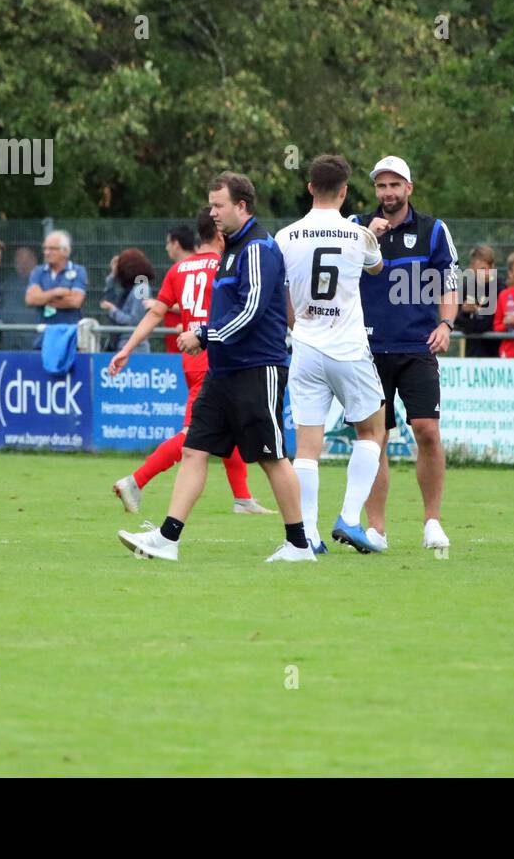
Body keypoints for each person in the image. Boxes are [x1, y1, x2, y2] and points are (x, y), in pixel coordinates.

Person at [117, 172, 311, 563]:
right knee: (193, 449)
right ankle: (167, 539)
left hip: (257, 369)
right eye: (211, 205)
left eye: (218, 205)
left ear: (242, 206)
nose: (212, 213)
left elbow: (253, 311)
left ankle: (298, 545)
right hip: (223, 373)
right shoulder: (232, 250)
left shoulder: (257, 248)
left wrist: (204, 335)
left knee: (272, 457)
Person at [109, 209, 274, 517]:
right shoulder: (227, 265)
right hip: (215, 356)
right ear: (221, 233)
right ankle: (136, 480)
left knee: (230, 427)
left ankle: (243, 498)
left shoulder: (180, 269)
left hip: (192, 358)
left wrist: (127, 349)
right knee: (194, 435)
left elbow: (156, 313)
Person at [278, 154, 388, 554]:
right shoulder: (359, 236)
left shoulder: (285, 237)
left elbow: (281, 295)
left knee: (307, 445)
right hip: (349, 347)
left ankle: (306, 534)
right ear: (344, 191)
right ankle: (349, 517)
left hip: (305, 347)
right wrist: (368, 233)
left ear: (309, 188)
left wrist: (299, 326)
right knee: (373, 430)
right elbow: (376, 269)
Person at [350, 155, 458, 551]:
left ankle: (432, 522)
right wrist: (366, 239)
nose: (388, 192)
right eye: (381, 186)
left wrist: (445, 325)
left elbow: (450, 280)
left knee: (427, 431)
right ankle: (376, 528)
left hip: (417, 346)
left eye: (395, 185)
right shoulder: (355, 228)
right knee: (374, 439)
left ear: (409, 188)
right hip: (367, 350)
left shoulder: (434, 229)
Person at [25, 230, 87, 348]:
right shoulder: (38, 271)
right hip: (42, 339)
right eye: (45, 248)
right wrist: (57, 292)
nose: (47, 252)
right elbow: (30, 300)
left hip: (69, 338)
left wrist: (43, 298)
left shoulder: (78, 271)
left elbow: (75, 301)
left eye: (52, 249)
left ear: (65, 251)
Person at [100, 249, 156, 353]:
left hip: (134, 348)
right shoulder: (129, 289)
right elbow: (108, 300)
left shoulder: (141, 288)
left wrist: (113, 311)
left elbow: (135, 321)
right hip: (120, 345)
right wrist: (113, 275)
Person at [454, 245, 501, 358]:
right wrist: (465, 312)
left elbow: (487, 325)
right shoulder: (465, 288)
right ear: (472, 267)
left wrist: (473, 316)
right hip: (472, 356)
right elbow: (454, 320)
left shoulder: (500, 289)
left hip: (497, 356)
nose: (485, 273)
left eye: (488, 269)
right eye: (481, 269)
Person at [160, 225, 196, 354]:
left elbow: (199, 305)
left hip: (193, 345)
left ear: (176, 244)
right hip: (177, 346)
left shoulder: (192, 270)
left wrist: (160, 306)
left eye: (168, 243)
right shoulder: (175, 271)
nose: (166, 247)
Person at [0, 247, 39, 349]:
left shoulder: (42, 282)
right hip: (8, 338)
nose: (22, 264)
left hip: (32, 339)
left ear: (34, 260)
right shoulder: (7, 284)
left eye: (26, 260)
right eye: (18, 260)